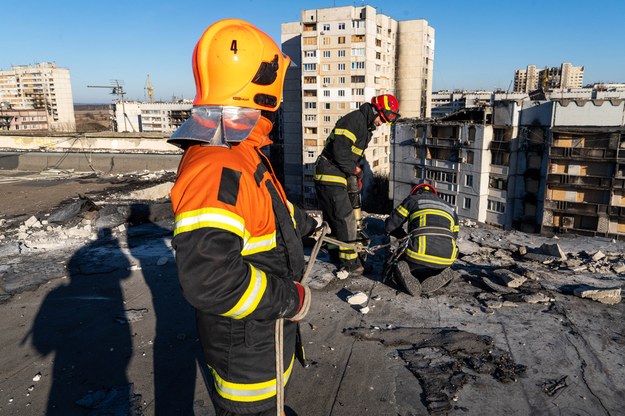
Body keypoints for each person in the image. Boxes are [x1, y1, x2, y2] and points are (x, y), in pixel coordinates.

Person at [167, 19, 317, 416]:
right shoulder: (219, 165)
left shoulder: (241, 149)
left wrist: (306, 225)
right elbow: (211, 280)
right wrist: (289, 297)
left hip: (262, 336)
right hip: (247, 351)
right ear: (264, 85)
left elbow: (265, 207)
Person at [314, 94, 400, 275]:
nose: (381, 123)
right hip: (329, 172)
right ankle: (350, 262)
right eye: (382, 119)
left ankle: (335, 254)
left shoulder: (366, 128)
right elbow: (340, 152)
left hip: (338, 173)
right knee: (346, 217)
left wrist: (356, 172)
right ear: (376, 110)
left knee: (335, 218)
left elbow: (353, 156)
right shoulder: (354, 121)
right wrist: (355, 171)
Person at [384, 183, 459, 296]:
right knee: (434, 263)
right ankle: (441, 271)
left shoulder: (413, 199)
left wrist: (402, 237)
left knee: (397, 265)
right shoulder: (451, 209)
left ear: (415, 192)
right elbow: (454, 236)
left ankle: (404, 272)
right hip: (447, 257)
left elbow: (390, 225)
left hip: (417, 253)